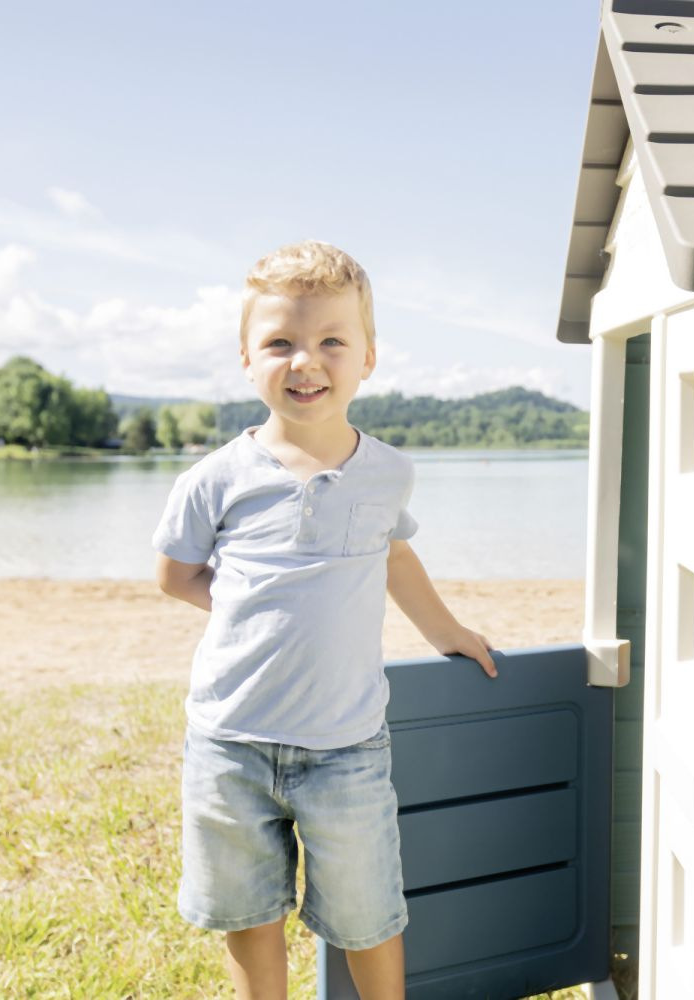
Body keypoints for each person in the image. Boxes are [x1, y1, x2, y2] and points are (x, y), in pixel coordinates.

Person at [152, 240, 497, 1000]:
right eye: (280, 342)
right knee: (250, 914)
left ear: (368, 357)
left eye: (332, 341)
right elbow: (176, 575)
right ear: (247, 358)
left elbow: (394, 557)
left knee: (369, 916)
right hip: (231, 742)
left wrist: (447, 633)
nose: (306, 361)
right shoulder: (214, 478)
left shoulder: (388, 472)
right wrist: (254, 609)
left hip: (346, 746)